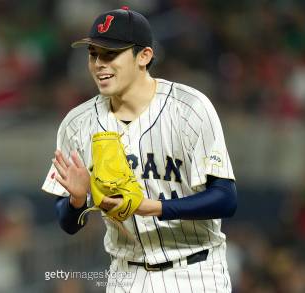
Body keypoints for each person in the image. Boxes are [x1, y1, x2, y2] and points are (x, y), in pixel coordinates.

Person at [42, 6, 237, 293]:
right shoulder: (77, 123)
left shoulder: (190, 108)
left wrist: (151, 208)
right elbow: (68, 224)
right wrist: (77, 199)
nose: (99, 63)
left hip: (195, 270)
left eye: (111, 54)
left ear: (144, 56)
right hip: (125, 274)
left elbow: (225, 199)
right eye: (94, 54)